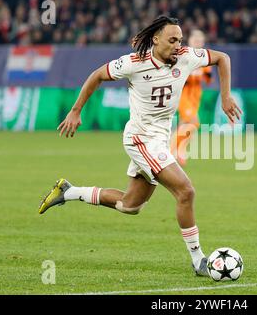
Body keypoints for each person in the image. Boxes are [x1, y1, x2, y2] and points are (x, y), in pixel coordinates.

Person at [38, 16, 242, 276]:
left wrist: (225, 96)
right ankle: (198, 260)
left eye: (180, 39)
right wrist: (76, 111)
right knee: (186, 191)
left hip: (159, 140)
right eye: (172, 40)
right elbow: (97, 75)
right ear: (155, 39)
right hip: (140, 138)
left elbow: (223, 57)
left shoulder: (186, 56)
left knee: (130, 205)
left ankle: (68, 191)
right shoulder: (133, 63)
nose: (178, 45)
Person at [170, 29, 213, 166]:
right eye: (195, 40)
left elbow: (208, 79)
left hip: (195, 96)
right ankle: (171, 151)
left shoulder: (203, 58)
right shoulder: (183, 55)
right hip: (183, 95)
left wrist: (206, 72)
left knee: (186, 125)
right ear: (189, 41)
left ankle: (179, 150)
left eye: (200, 40)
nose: (198, 42)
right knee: (194, 122)